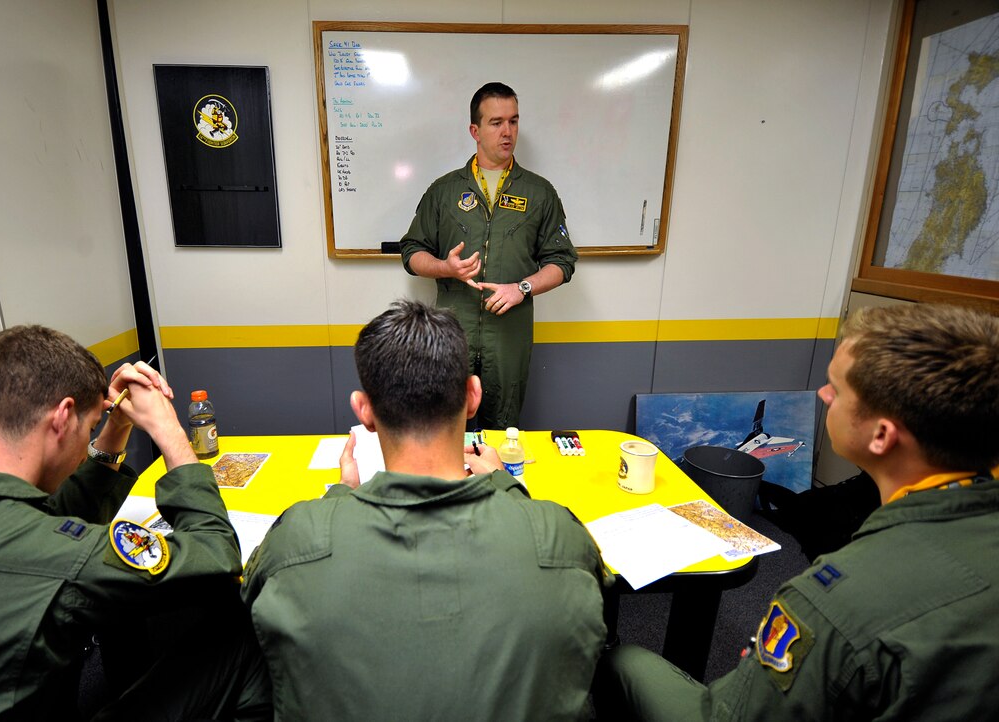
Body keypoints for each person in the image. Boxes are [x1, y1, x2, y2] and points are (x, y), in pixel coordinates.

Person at [593, 303, 999, 721]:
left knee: (620, 661)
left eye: (837, 390)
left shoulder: (836, 599)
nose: (823, 395)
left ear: (881, 435)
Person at [242, 300, 610, 720]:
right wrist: (504, 484)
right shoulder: (557, 534)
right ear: (473, 396)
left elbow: (252, 600)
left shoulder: (295, 541)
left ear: (364, 411)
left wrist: (342, 494)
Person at [0, 325, 267, 721]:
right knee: (241, 632)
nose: (86, 447)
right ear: (63, 417)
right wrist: (169, 432)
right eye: (90, 427)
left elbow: (45, 516)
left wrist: (115, 427)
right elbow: (216, 557)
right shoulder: (56, 557)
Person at [400, 81, 578, 430]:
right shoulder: (444, 191)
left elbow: (562, 262)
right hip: (453, 335)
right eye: (496, 122)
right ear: (475, 131)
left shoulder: (539, 193)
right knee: (447, 429)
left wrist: (522, 288)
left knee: (503, 433)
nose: (507, 131)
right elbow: (412, 252)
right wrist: (445, 267)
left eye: (513, 121)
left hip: (509, 339)